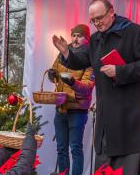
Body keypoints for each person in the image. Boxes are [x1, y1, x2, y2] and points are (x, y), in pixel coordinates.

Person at [52, 0, 140, 175]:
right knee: (104, 166)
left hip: (128, 118)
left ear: (111, 12)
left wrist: (120, 71)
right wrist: (66, 52)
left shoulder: (134, 32)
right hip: (106, 119)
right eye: (92, 20)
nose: (96, 23)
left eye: (99, 18)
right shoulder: (95, 40)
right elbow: (83, 61)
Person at [47, 24, 94, 175]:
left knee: (75, 149)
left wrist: (72, 82)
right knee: (61, 149)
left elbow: (87, 87)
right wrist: (51, 74)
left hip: (77, 110)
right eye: (73, 35)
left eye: (79, 36)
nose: (75, 39)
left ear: (87, 39)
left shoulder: (90, 57)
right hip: (60, 108)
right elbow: (54, 70)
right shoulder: (63, 52)